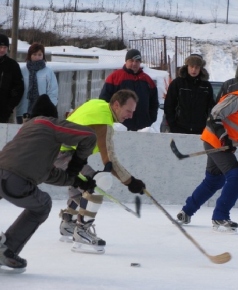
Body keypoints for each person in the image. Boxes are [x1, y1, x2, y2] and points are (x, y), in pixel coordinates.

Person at [0, 94, 97, 272]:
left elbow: (45, 172)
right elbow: (89, 136)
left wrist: (75, 180)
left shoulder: (27, 131)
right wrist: (76, 165)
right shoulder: (49, 123)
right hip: (15, 179)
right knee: (42, 205)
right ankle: (7, 249)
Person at [176, 69, 238, 233]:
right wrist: (224, 137)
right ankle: (220, 215)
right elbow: (214, 116)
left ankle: (186, 212)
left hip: (225, 143)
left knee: (214, 181)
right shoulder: (237, 98)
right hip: (215, 141)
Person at [56, 89, 146, 253]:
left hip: (59, 149)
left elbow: (73, 114)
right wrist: (131, 182)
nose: (131, 116)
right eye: (128, 111)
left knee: (82, 179)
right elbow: (110, 160)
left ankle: (69, 222)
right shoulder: (104, 122)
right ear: (117, 105)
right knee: (97, 183)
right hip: (60, 153)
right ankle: (81, 231)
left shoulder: (98, 104)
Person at [99, 49, 159, 131]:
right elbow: (104, 100)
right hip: (120, 127)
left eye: (137, 61)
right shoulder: (114, 77)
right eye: (131, 60)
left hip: (142, 127)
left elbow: (154, 102)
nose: (134, 63)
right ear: (126, 61)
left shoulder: (148, 80)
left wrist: (151, 118)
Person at [164, 54, 214, 134]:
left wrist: (208, 125)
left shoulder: (206, 86)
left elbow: (211, 108)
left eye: (197, 67)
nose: (194, 70)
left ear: (200, 69)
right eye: (191, 66)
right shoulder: (177, 83)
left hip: (200, 130)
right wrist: (173, 125)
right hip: (179, 128)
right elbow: (169, 105)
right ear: (187, 66)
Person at [16, 43, 58, 124]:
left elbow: (53, 92)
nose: (37, 57)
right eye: (34, 54)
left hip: (42, 113)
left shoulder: (48, 72)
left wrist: (49, 108)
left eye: (40, 54)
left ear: (43, 56)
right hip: (23, 111)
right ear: (30, 55)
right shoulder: (22, 71)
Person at [0, 33, 24, 123]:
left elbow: (19, 87)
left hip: (3, 111)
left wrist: (10, 106)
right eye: (0, 47)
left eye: (5, 47)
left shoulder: (12, 65)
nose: (2, 50)